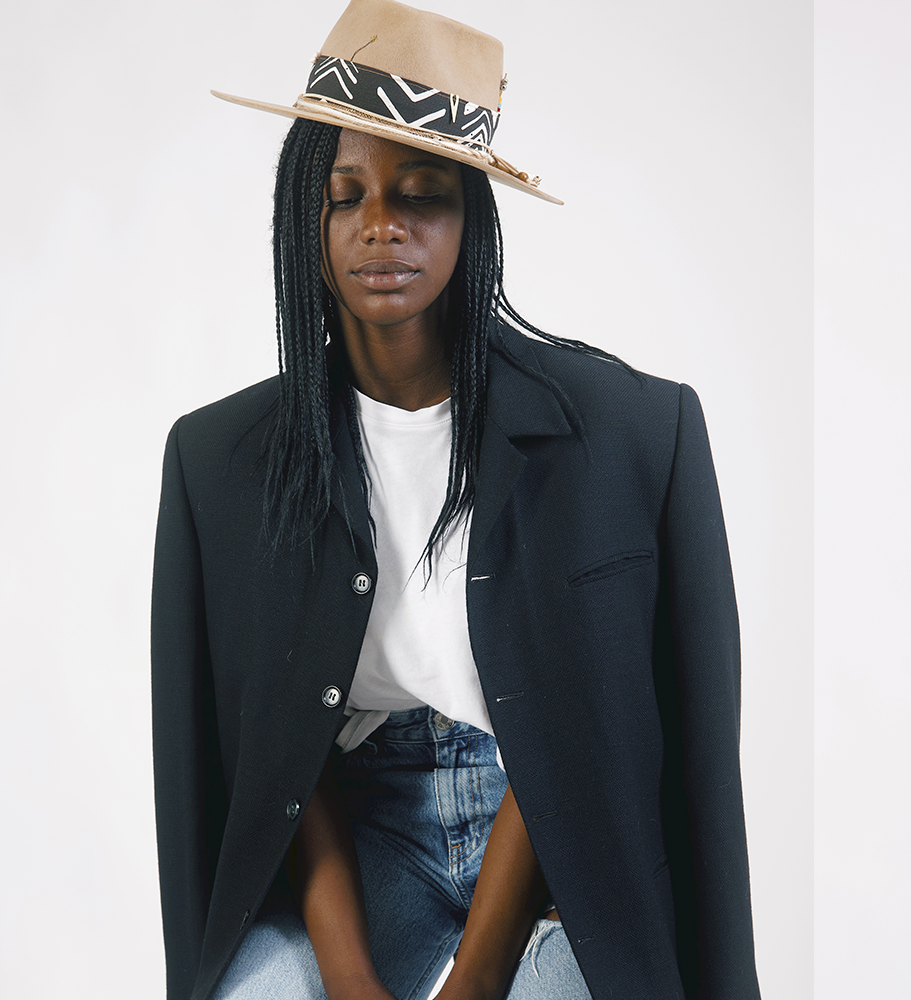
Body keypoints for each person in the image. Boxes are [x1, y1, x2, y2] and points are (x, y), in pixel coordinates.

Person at [151, 2, 762, 999]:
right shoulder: (221, 461)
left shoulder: (631, 436)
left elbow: (611, 725)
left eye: (421, 195)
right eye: (344, 196)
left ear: (472, 215)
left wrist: (476, 978)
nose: (380, 226)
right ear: (303, 213)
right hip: (361, 825)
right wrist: (349, 978)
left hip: (565, 837)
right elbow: (273, 746)